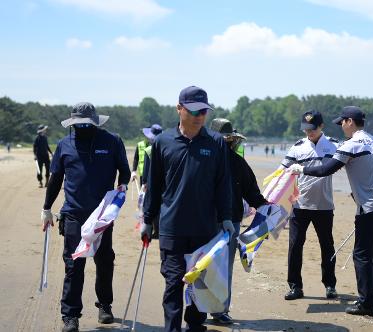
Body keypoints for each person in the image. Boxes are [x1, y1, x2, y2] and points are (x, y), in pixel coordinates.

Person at [142, 86, 233, 332]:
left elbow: (223, 184)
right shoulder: (162, 142)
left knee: (198, 283)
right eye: (193, 111)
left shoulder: (216, 143)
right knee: (173, 283)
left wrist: (226, 217)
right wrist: (147, 219)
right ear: (179, 109)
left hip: (205, 228)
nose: (199, 116)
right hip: (171, 227)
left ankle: (195, 327)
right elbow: (154, 186)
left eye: (203, 111)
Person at [289, 106, 373, 317]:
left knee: (362, 255)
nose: (341, 127)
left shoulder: (352, 144)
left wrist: (302, 169)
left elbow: (326, 169)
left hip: (371, 207)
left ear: (349, 122)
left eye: (342, 123)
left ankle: (366, 303)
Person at [40, 102, 131, 332]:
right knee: (74, 265)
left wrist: (121, 187)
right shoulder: (64, 144)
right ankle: (70, 316)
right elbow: (55, 178)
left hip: (101, 216)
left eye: (86, 124)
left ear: (95, 122)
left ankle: (105, 306)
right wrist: (47, 208)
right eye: (77, 124)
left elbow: (125, 171)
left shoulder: (112, 141)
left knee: (104, 261)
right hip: (73, 214)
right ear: (72, 123)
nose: (82, 128)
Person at [209, 118, 268, 324]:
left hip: (230, 221)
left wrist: (266, 207)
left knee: (223, 267)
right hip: (204, 221)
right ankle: (203, 310)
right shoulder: (201, 159)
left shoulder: (237, 162)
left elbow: (252, 191)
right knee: (203, 265)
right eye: (227, 141)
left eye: (230, 141)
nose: (230, 144)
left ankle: (218, 310)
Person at [280, 110, 339, 301]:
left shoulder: (334, 145)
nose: (309, 133)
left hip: (324, 205)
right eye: (305, 129)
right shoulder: (297, 147)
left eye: (312, 129)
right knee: (295, 246)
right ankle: (295, 287)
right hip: (299, 205)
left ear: (321, 126)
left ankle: (330, 285)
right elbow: (282, 172)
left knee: (327, 246)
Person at [139, 125, 163, 239]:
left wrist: (144, 183)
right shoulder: (165, 147)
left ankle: (152, 228)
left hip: (151, 183)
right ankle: (158, 229)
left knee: (149, 205)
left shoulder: (149, 150)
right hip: (163, 184)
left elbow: (146, 169)